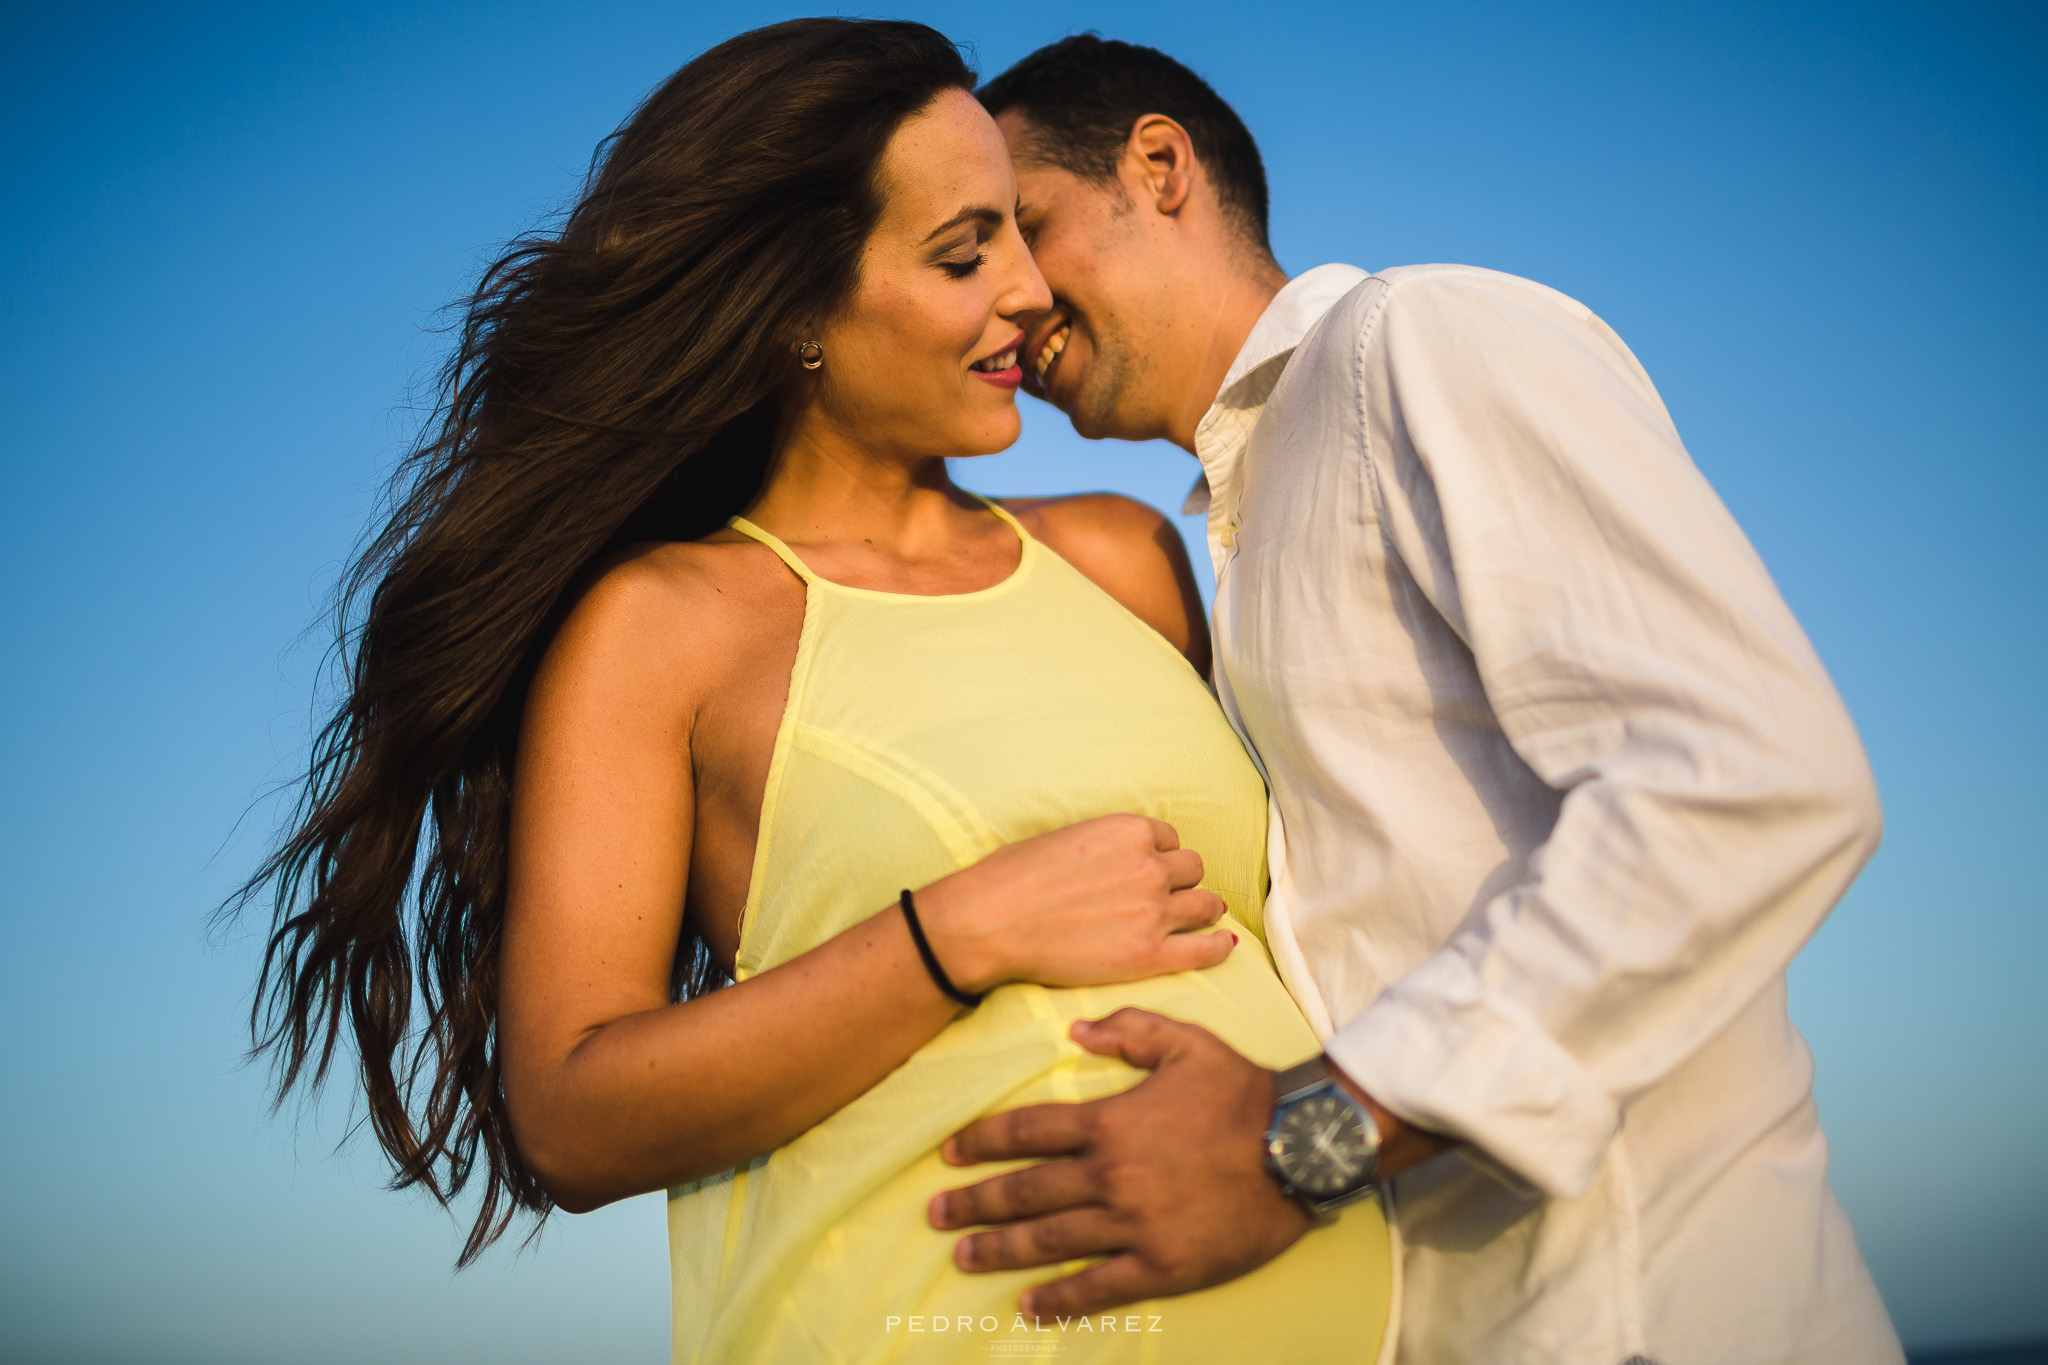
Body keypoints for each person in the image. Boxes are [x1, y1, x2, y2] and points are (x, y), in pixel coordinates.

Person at [233, 19, 1393, 1364]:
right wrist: (954, 931)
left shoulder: (1130, 560)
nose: (1028, 289)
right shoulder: (665, 626)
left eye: (1023, 231)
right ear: (793, 312)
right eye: (966, 252)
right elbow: (568, 1112)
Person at [929, 35, 1906, 1365]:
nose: (1008, 299)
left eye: (1025, 229)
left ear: (1159, 167)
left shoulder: (1413, 339)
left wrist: (1295, 1145)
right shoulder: (1239, 518)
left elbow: (1747, 777)